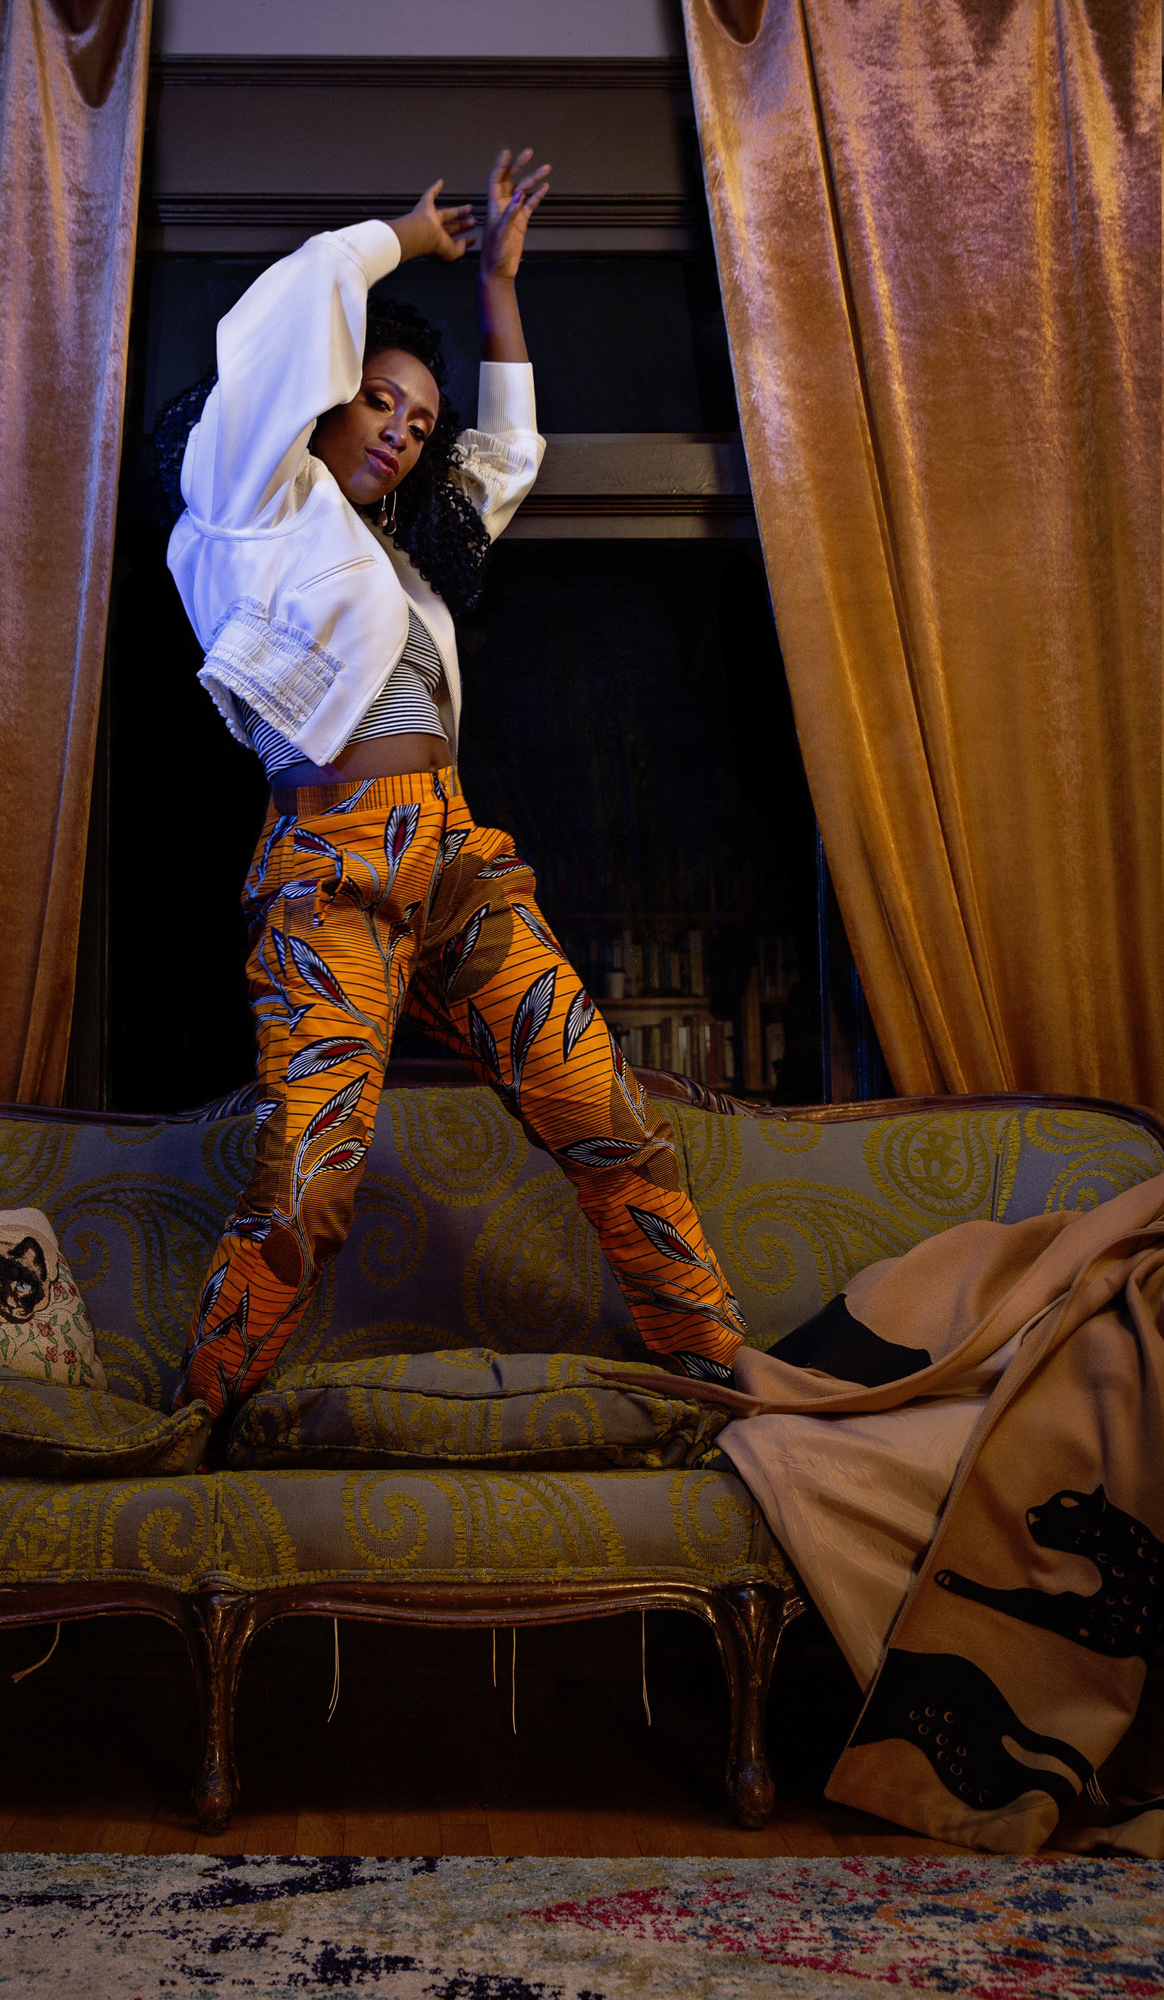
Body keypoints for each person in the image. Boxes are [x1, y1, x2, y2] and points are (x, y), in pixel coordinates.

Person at [159, 149, 747, 1420]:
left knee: (607, 1112)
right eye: (380, 400)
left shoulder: (403, 558)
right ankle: (201, 1416)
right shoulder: (245, 499)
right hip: (333, 867)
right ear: (324, 396)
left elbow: (508, 455)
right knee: (312, 1175)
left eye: (419, 423)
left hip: (456, 856)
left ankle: (720, 1371)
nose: (401, 430)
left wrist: (497, 288)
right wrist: (412, 236)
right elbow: (299, 299)